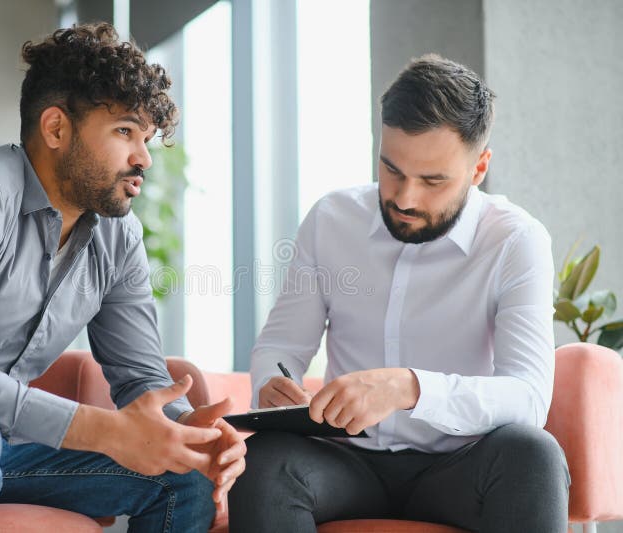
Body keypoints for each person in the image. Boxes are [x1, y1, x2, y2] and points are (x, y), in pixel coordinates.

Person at [0, 23, 245, 533]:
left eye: (147, 139)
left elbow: (140, 378)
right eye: (125, 131)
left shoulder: (119, 236)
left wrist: (187, 430)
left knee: (183, 475)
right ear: (56, 129)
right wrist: (100, 428)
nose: (144, 158)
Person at [228, 54, 568, 532]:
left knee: (533, 455)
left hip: (461, 466)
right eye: (392, 169)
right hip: (347, 462)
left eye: (433, 181)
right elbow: (281, 345)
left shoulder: (516, 240)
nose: (405, 198)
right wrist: (273, 383)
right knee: (264, 462)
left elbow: (527, 398)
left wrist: (409, 388)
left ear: (479, 168)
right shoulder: (330, 220)